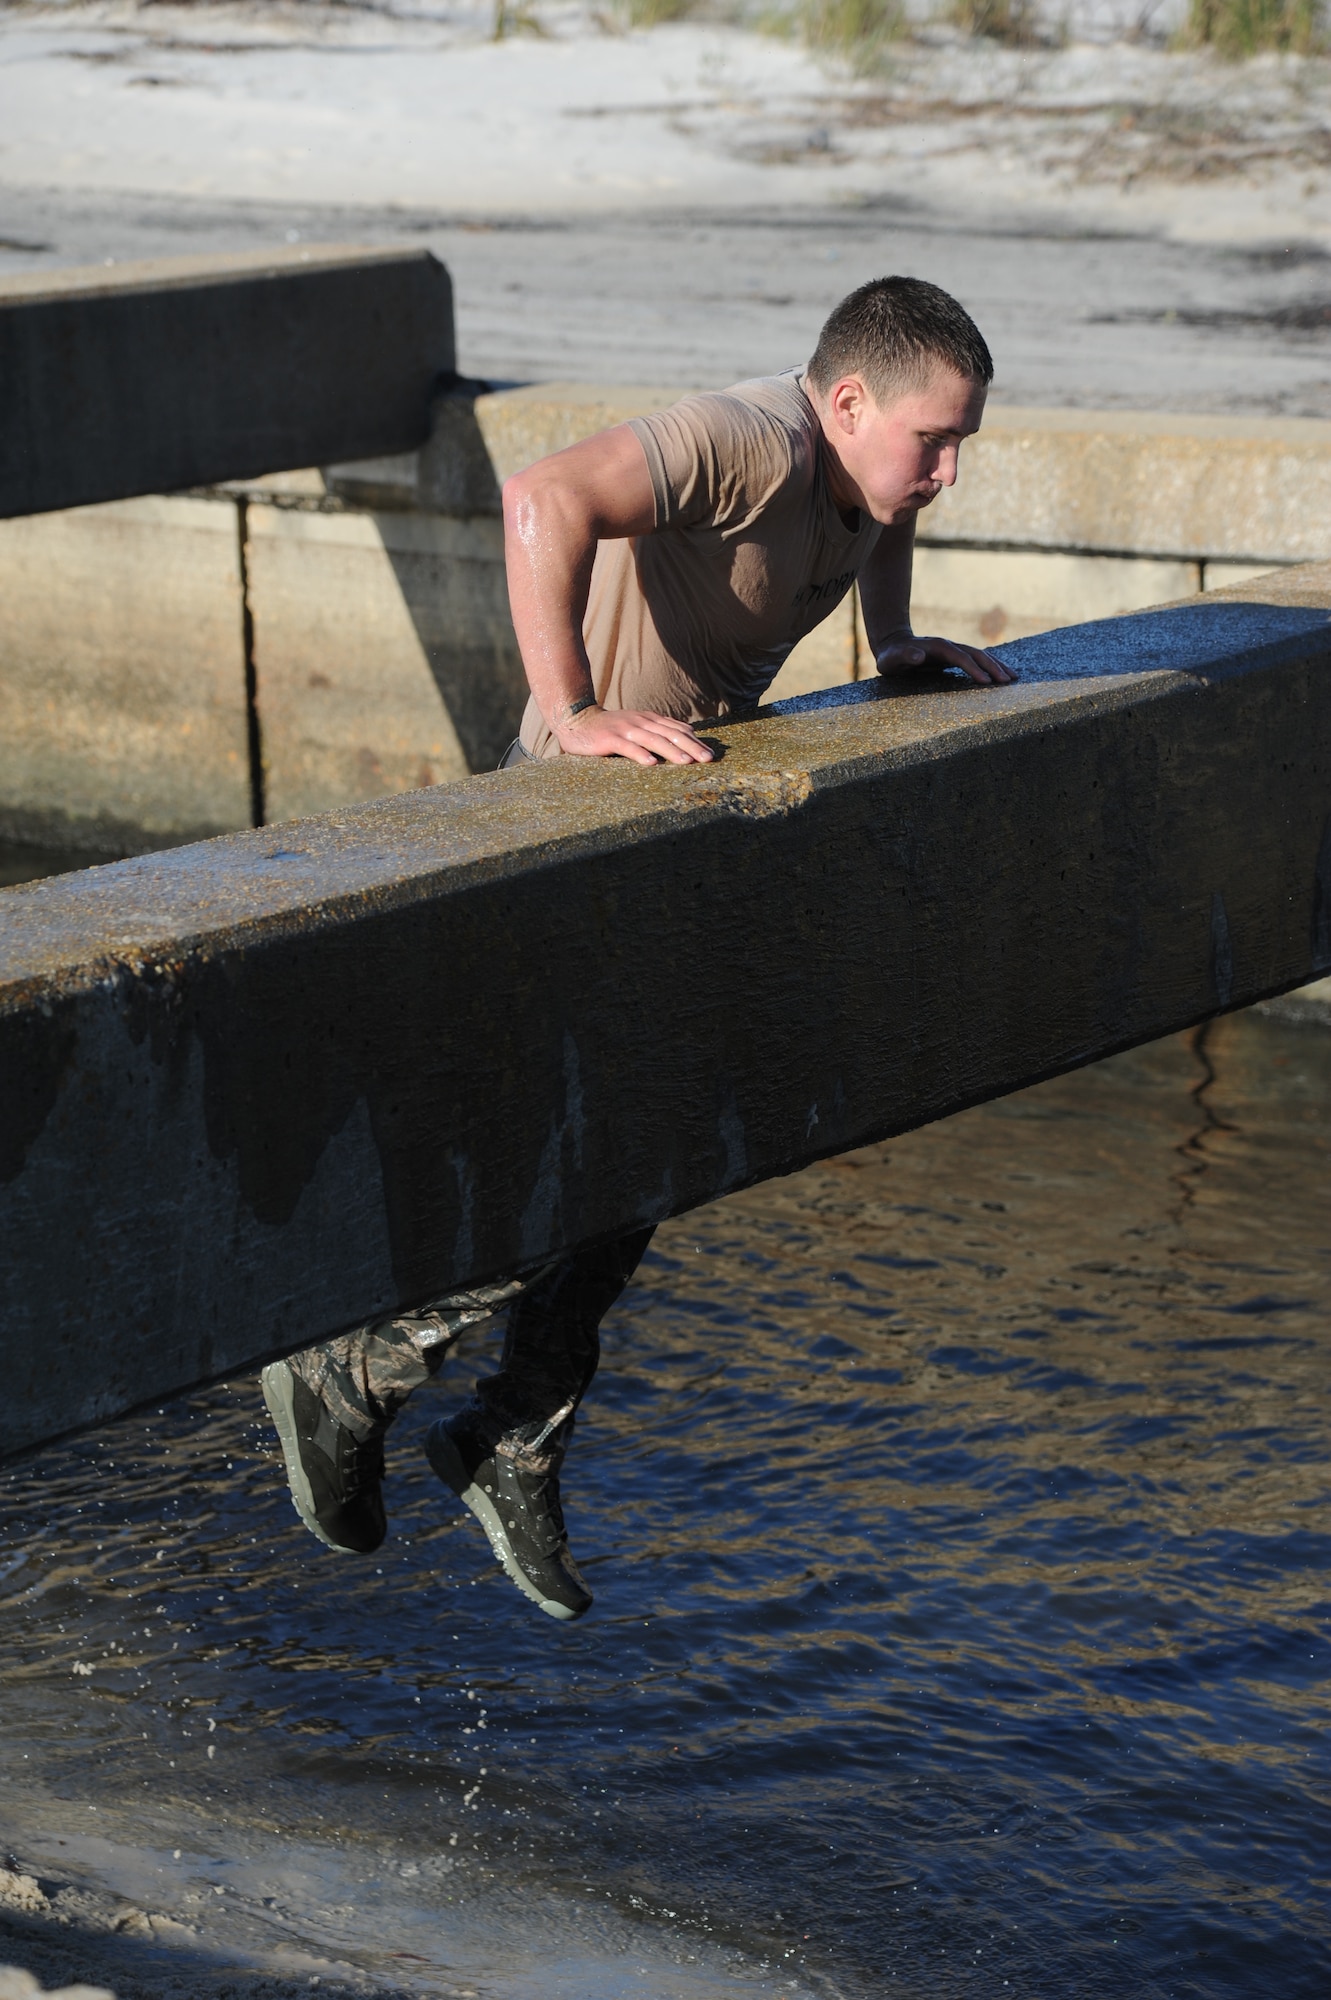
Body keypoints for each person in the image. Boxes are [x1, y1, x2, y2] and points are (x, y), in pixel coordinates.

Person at [262, 275, 1016, 1623]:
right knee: (554, 1157)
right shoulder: (746, 439)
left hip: (665, 830)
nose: (949, 471)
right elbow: (543, 493)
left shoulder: (857, 477)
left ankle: (513, 1429)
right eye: (933, 441)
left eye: (963, 441)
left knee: (665, 1144)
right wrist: (577, 711)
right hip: (564, 825)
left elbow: (871, 515)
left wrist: (890, 638)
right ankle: (350, 1376)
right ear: (848, 403)